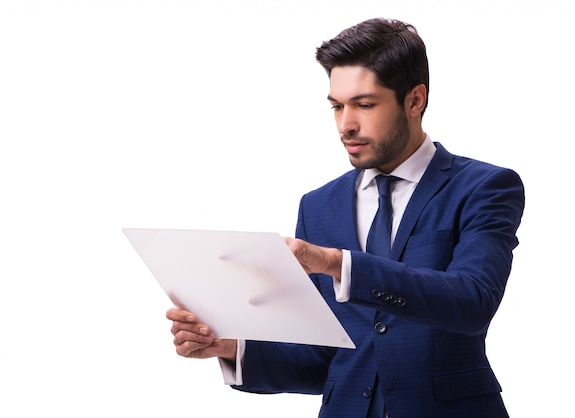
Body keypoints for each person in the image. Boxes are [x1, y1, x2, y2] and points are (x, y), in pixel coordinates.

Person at [166, 17, 525, 417]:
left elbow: (472, 302)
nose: (345, 125)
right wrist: (231, 347)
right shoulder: (318, 205)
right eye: (337, 106)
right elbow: (329, 361)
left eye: (364, 105)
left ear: (414, 100)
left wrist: (338, 265)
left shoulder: (483, 187)